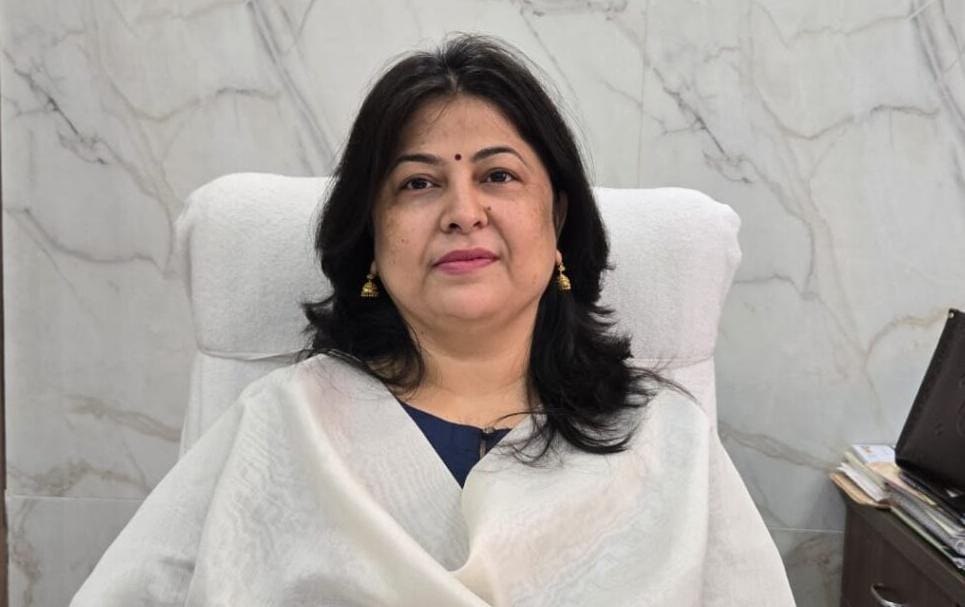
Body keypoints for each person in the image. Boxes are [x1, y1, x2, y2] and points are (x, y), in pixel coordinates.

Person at [72, 34, 796, 606]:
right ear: (371, 236)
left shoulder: (665, 440)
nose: (462, 211)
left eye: (497, 175)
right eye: (418, 183)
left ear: (557, 219)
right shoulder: (282, 425)